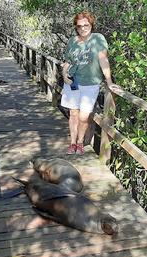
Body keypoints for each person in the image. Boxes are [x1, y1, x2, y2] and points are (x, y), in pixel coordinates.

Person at [61, 10, 115, 155]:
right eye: (79, 26)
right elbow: (67, 62)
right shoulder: (72, 41)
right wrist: (64, 75)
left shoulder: (98, 38)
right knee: (73, 114)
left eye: (86, 25)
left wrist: (109, 81)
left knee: (84, 117)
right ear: (76, 27)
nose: (83, 28)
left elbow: (103, 59)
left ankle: (80, 142)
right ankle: (73, 143)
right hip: (72, 82)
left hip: (91, 84)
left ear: (91, 24)